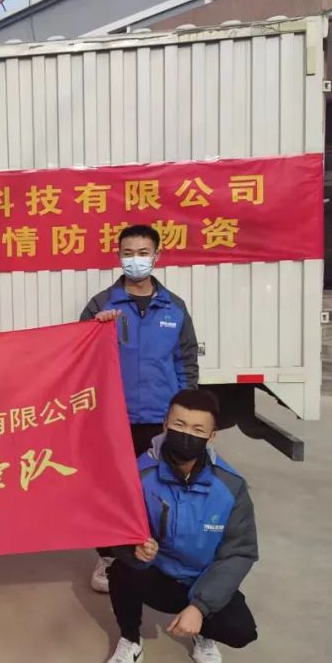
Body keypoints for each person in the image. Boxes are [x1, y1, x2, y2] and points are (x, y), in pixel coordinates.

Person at [101, 389, 258, 663]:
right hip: (158, 573)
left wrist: (200, 607)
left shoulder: (231, 486)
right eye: (179, 425)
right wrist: (133, 547)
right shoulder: (139, 474)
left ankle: (202, 632)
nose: (187, 435)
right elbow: (115, 526)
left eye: (198, 429)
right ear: (165, 425)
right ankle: (130, 640)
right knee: (122, 571)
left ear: (212, 436)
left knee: (241, 631)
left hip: (201, 578)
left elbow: (239, 552)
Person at [80, 224, 200, 593]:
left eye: (143, 253)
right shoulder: (102, 306)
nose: (136, 260)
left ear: (157, 255)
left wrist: (186, 412)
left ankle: (156, 554)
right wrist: (96, 330)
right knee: (111, 489)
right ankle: (109, 557)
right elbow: (81, 360)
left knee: (159, 489)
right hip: (114, 418)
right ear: (118, 256)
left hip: (161, 419)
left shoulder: (174, 307)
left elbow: (185, 362)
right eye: (128, 253)